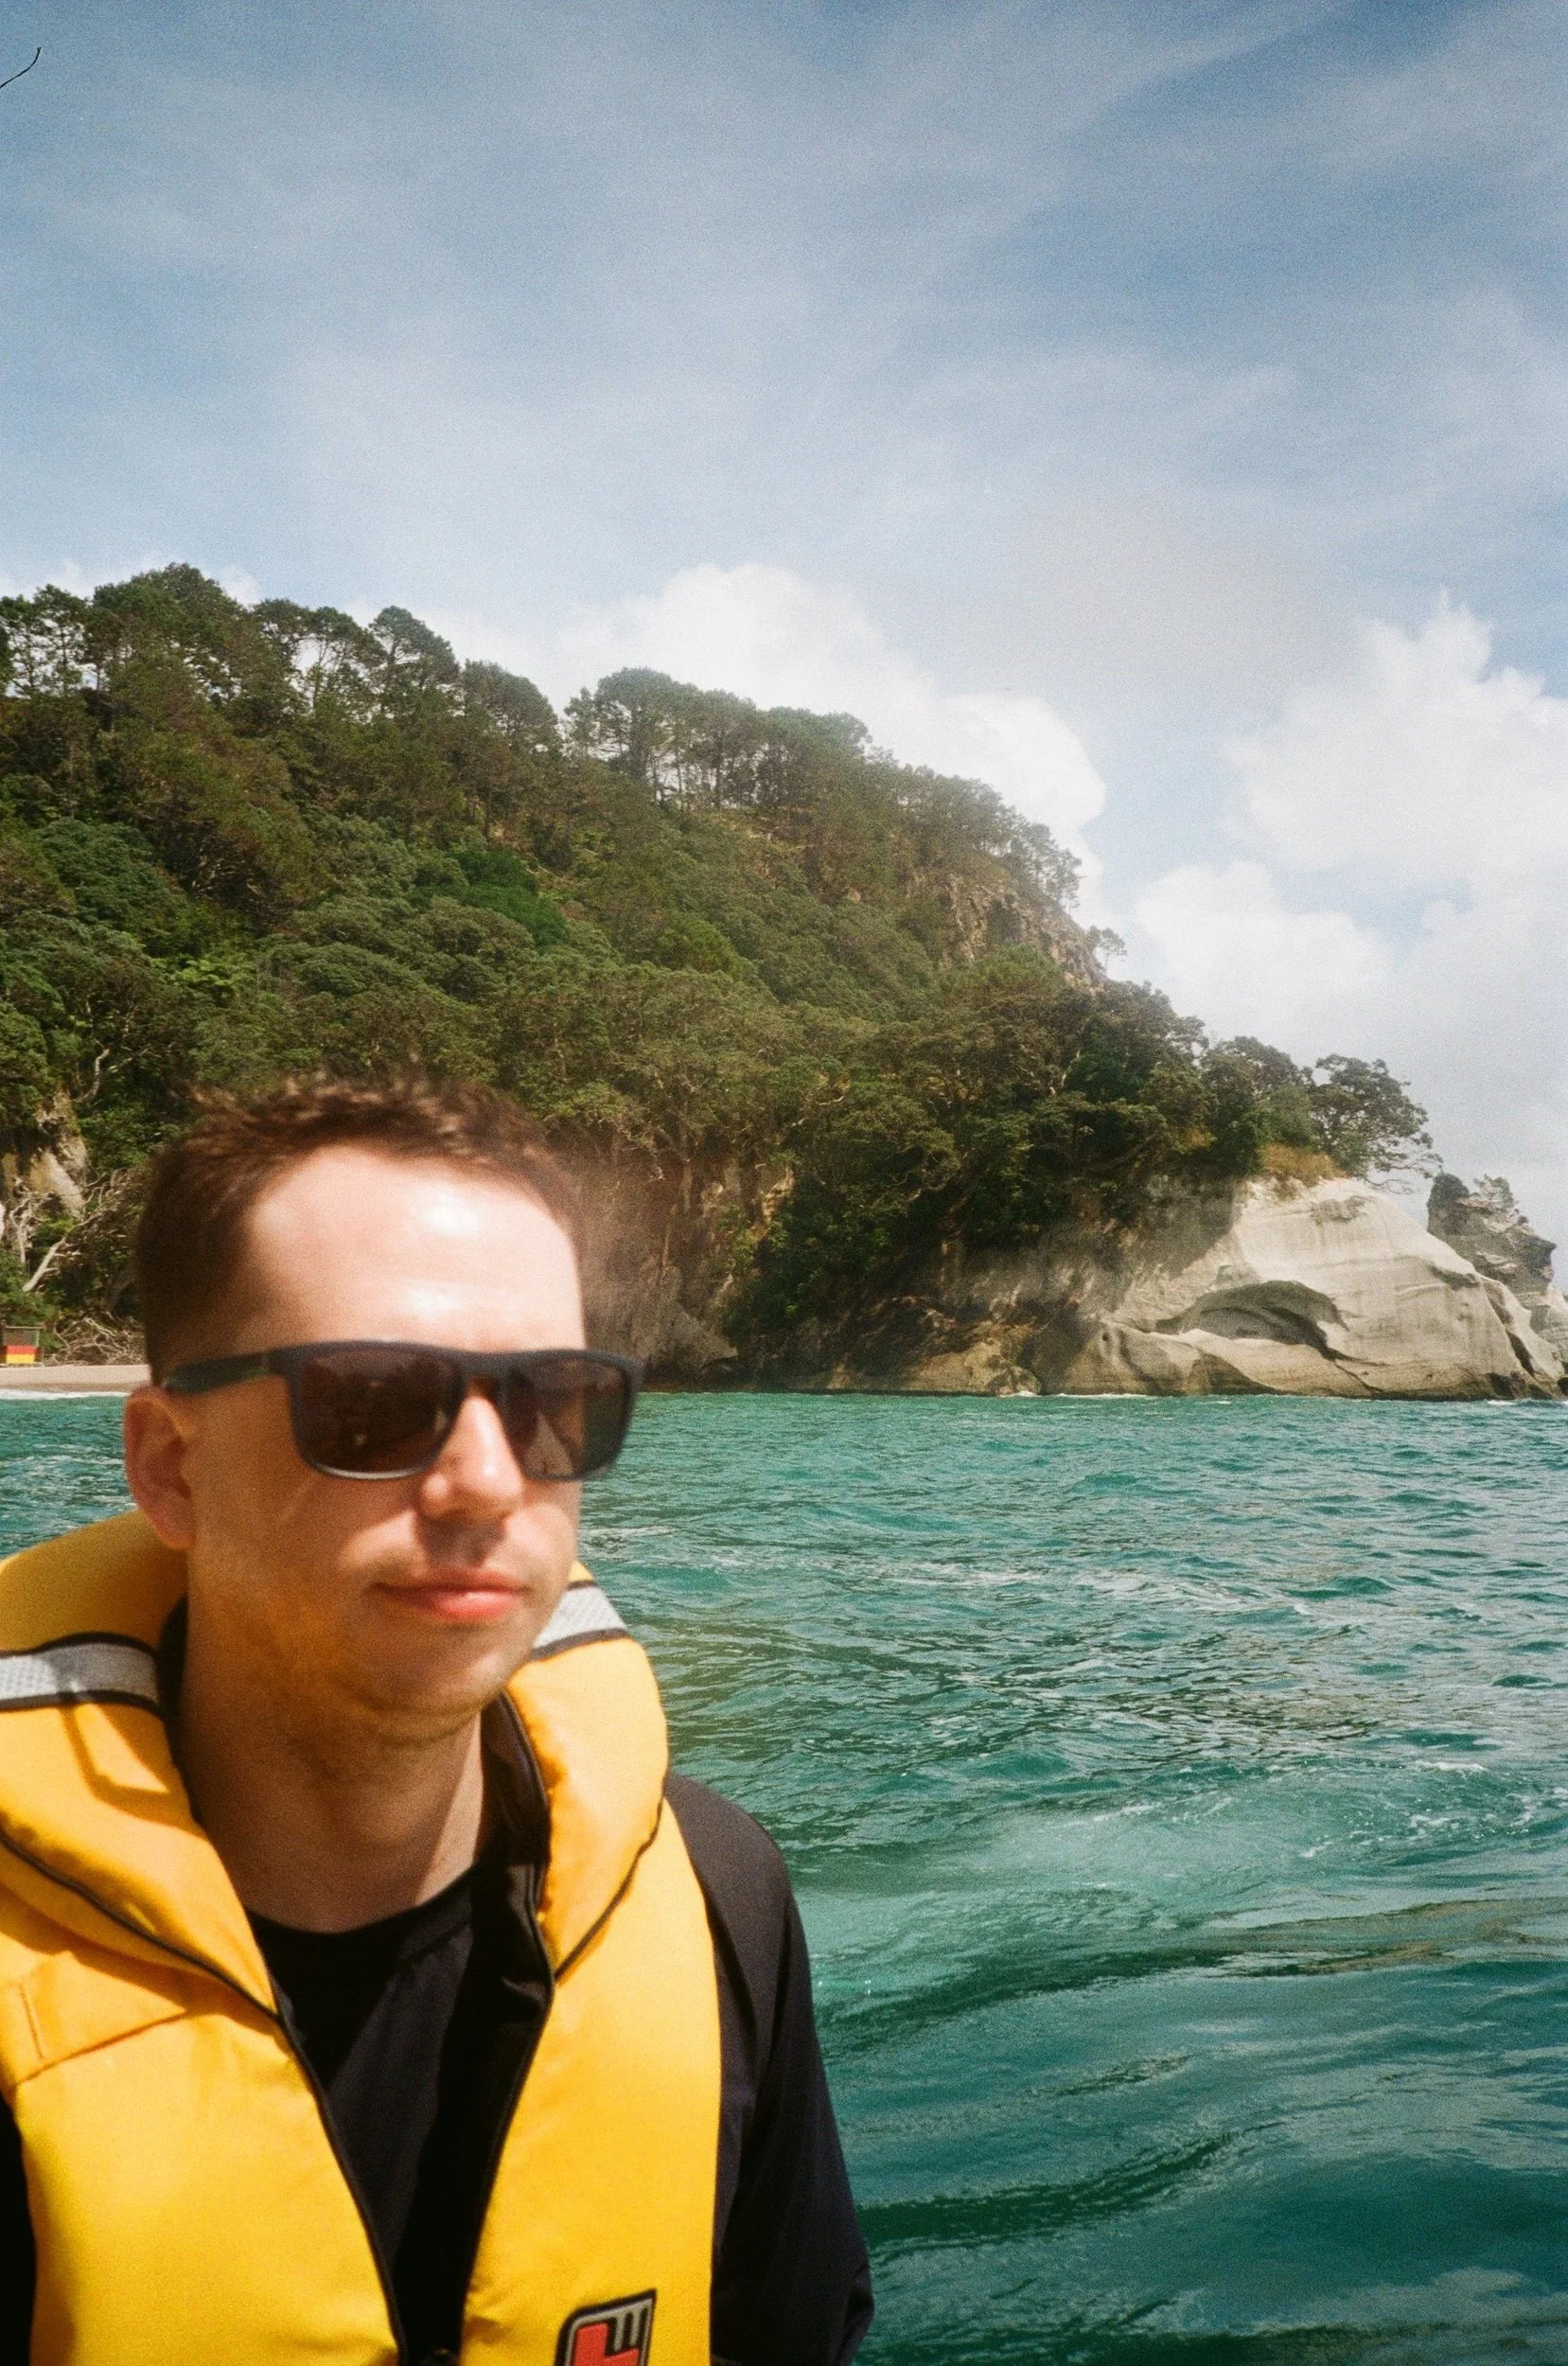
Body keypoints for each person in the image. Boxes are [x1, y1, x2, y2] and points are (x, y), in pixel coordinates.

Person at [0, 1078, 872, 2366]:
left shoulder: (715, 1896)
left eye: (551, 1401)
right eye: (371, 1401)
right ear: (171, 1467)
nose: (487, 1481)